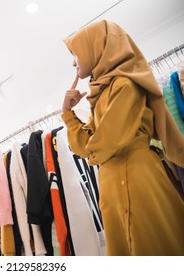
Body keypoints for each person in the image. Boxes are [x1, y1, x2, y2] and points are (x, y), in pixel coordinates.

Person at [61, 20, 184, 256]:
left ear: (95, 48)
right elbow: (83, 147)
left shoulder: (125, 85)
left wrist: (88, 142)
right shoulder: (103, 92)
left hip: (134, 179)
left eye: (76, 53)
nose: (74, 61)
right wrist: (67, 113)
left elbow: (100, 145)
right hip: (114, 184)